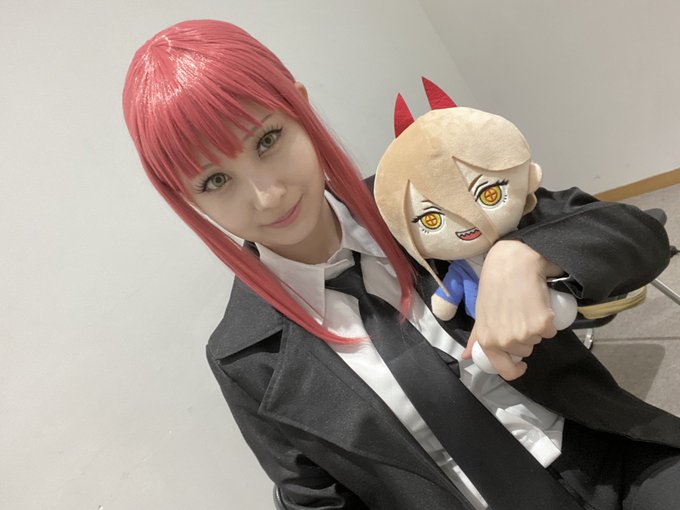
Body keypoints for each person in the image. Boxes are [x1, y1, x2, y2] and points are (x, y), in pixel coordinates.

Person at [123, 19, 680, 510]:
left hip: (614, 462)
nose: (268, 196)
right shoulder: (244, 358)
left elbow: (640, 234)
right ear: (185, 198)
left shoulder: (416, 195)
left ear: (300, 107)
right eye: (215, 180)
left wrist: (528, 255)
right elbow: (316, 499)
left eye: (268, 139)